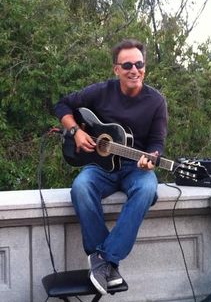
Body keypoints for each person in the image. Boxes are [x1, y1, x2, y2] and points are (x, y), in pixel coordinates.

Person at [54, 39, 168, 295]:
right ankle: (107, 266)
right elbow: (62, 105)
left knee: (147, 190)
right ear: (116, 69)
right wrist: (75, 132)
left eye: (139, 64)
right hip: (101, 166)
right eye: (127, 65)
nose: (134, 70)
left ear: (145, 67)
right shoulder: (101, 91)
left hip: (135, 167)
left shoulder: (156, 101)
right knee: (81, 187)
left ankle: (103, 260)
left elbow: (157, 143)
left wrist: (150, 158)